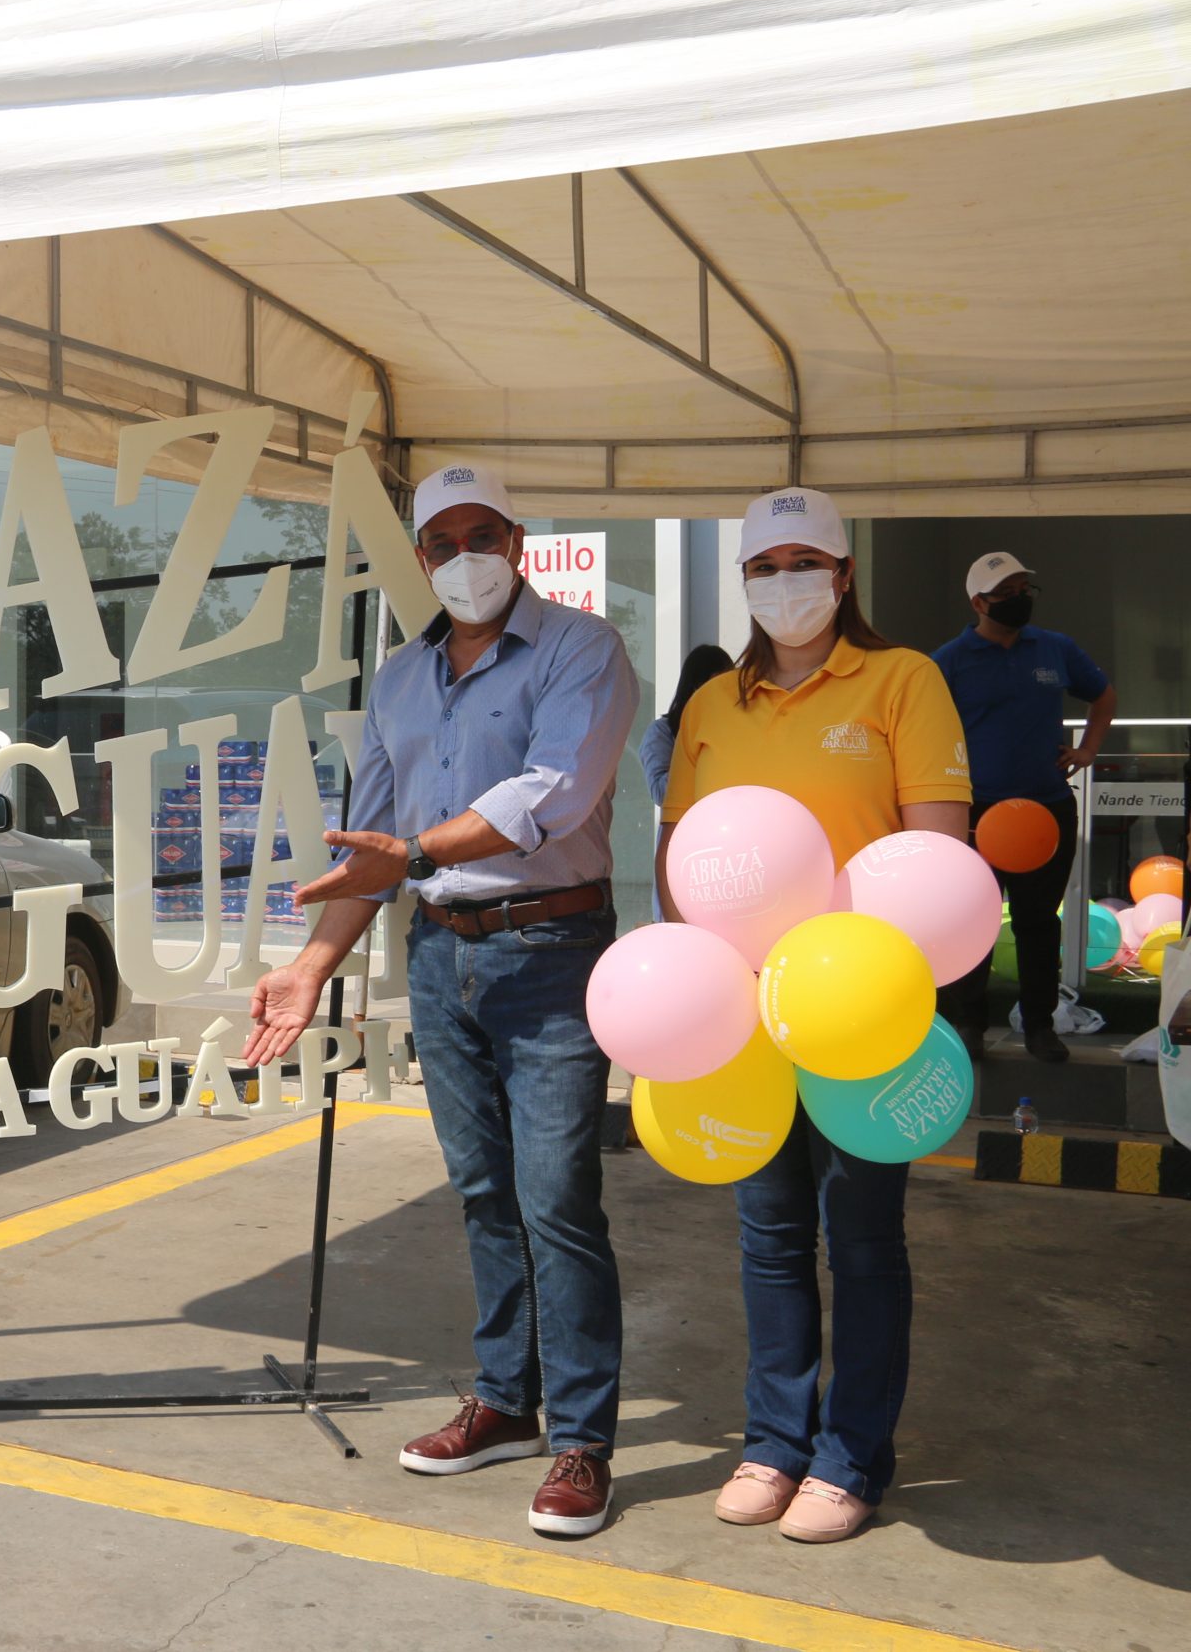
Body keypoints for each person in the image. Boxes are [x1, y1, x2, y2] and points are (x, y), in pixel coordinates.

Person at [243, 462, 640, 1539]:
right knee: (481, 1191)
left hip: (550, 946)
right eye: (441, 542)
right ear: (418, 559)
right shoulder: (400, 681)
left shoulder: (581, 651)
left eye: (482, 534)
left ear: (517, 538)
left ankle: (583, 1441)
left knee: (555, 1197)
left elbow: (549, 796)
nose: (463, 558)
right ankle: (507, 1401)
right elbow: (372, 849)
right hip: (441, 953)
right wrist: (309, 965)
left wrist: (415, 849)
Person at [659, 487, 970, 1544]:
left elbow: (936, 850)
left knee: (864, 1241)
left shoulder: (902, 680)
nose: (783, 582)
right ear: (744, 583)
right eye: (763, 566)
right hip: (742, 1019)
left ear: (842, 574)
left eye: (804, 561)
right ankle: (771, 1443)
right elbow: (681, 865)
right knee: (770, 1236)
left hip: (856, 1010)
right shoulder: (710, 707)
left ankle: (849, 1458)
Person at [931, 552, 1117, 1061]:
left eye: (1023, 590)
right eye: (1005, 593)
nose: (1018, 600)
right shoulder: (949, 660)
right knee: (973, 923)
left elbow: (1102, 696)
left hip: (1046, 809)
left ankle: (1040, 1028)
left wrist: (1087, 751)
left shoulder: (1054, 648)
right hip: (975, 814)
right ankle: (970, 1025)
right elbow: (920, 729)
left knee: (1039, 922)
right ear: (978, 602)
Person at [640, 645, 735, 918]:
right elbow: (660, 791)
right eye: (713, 684)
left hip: (725, 843)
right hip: (682, 843)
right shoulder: (662, 732)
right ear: (695, 687)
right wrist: (697, 752)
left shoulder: (734, 729)